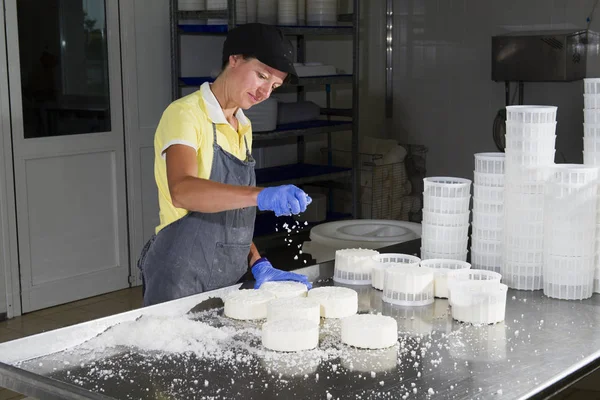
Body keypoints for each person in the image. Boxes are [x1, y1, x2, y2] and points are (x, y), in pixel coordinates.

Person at [138, 23, 312, 307]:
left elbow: (233, 212)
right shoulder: (185, 114)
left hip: (227, 279)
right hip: (180, 277)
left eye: (275, 85)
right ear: (234, 59)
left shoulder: (243, 126)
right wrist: (261, 195)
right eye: (261, 75)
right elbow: (182, 190)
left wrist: (257, 262)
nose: (265, 91)